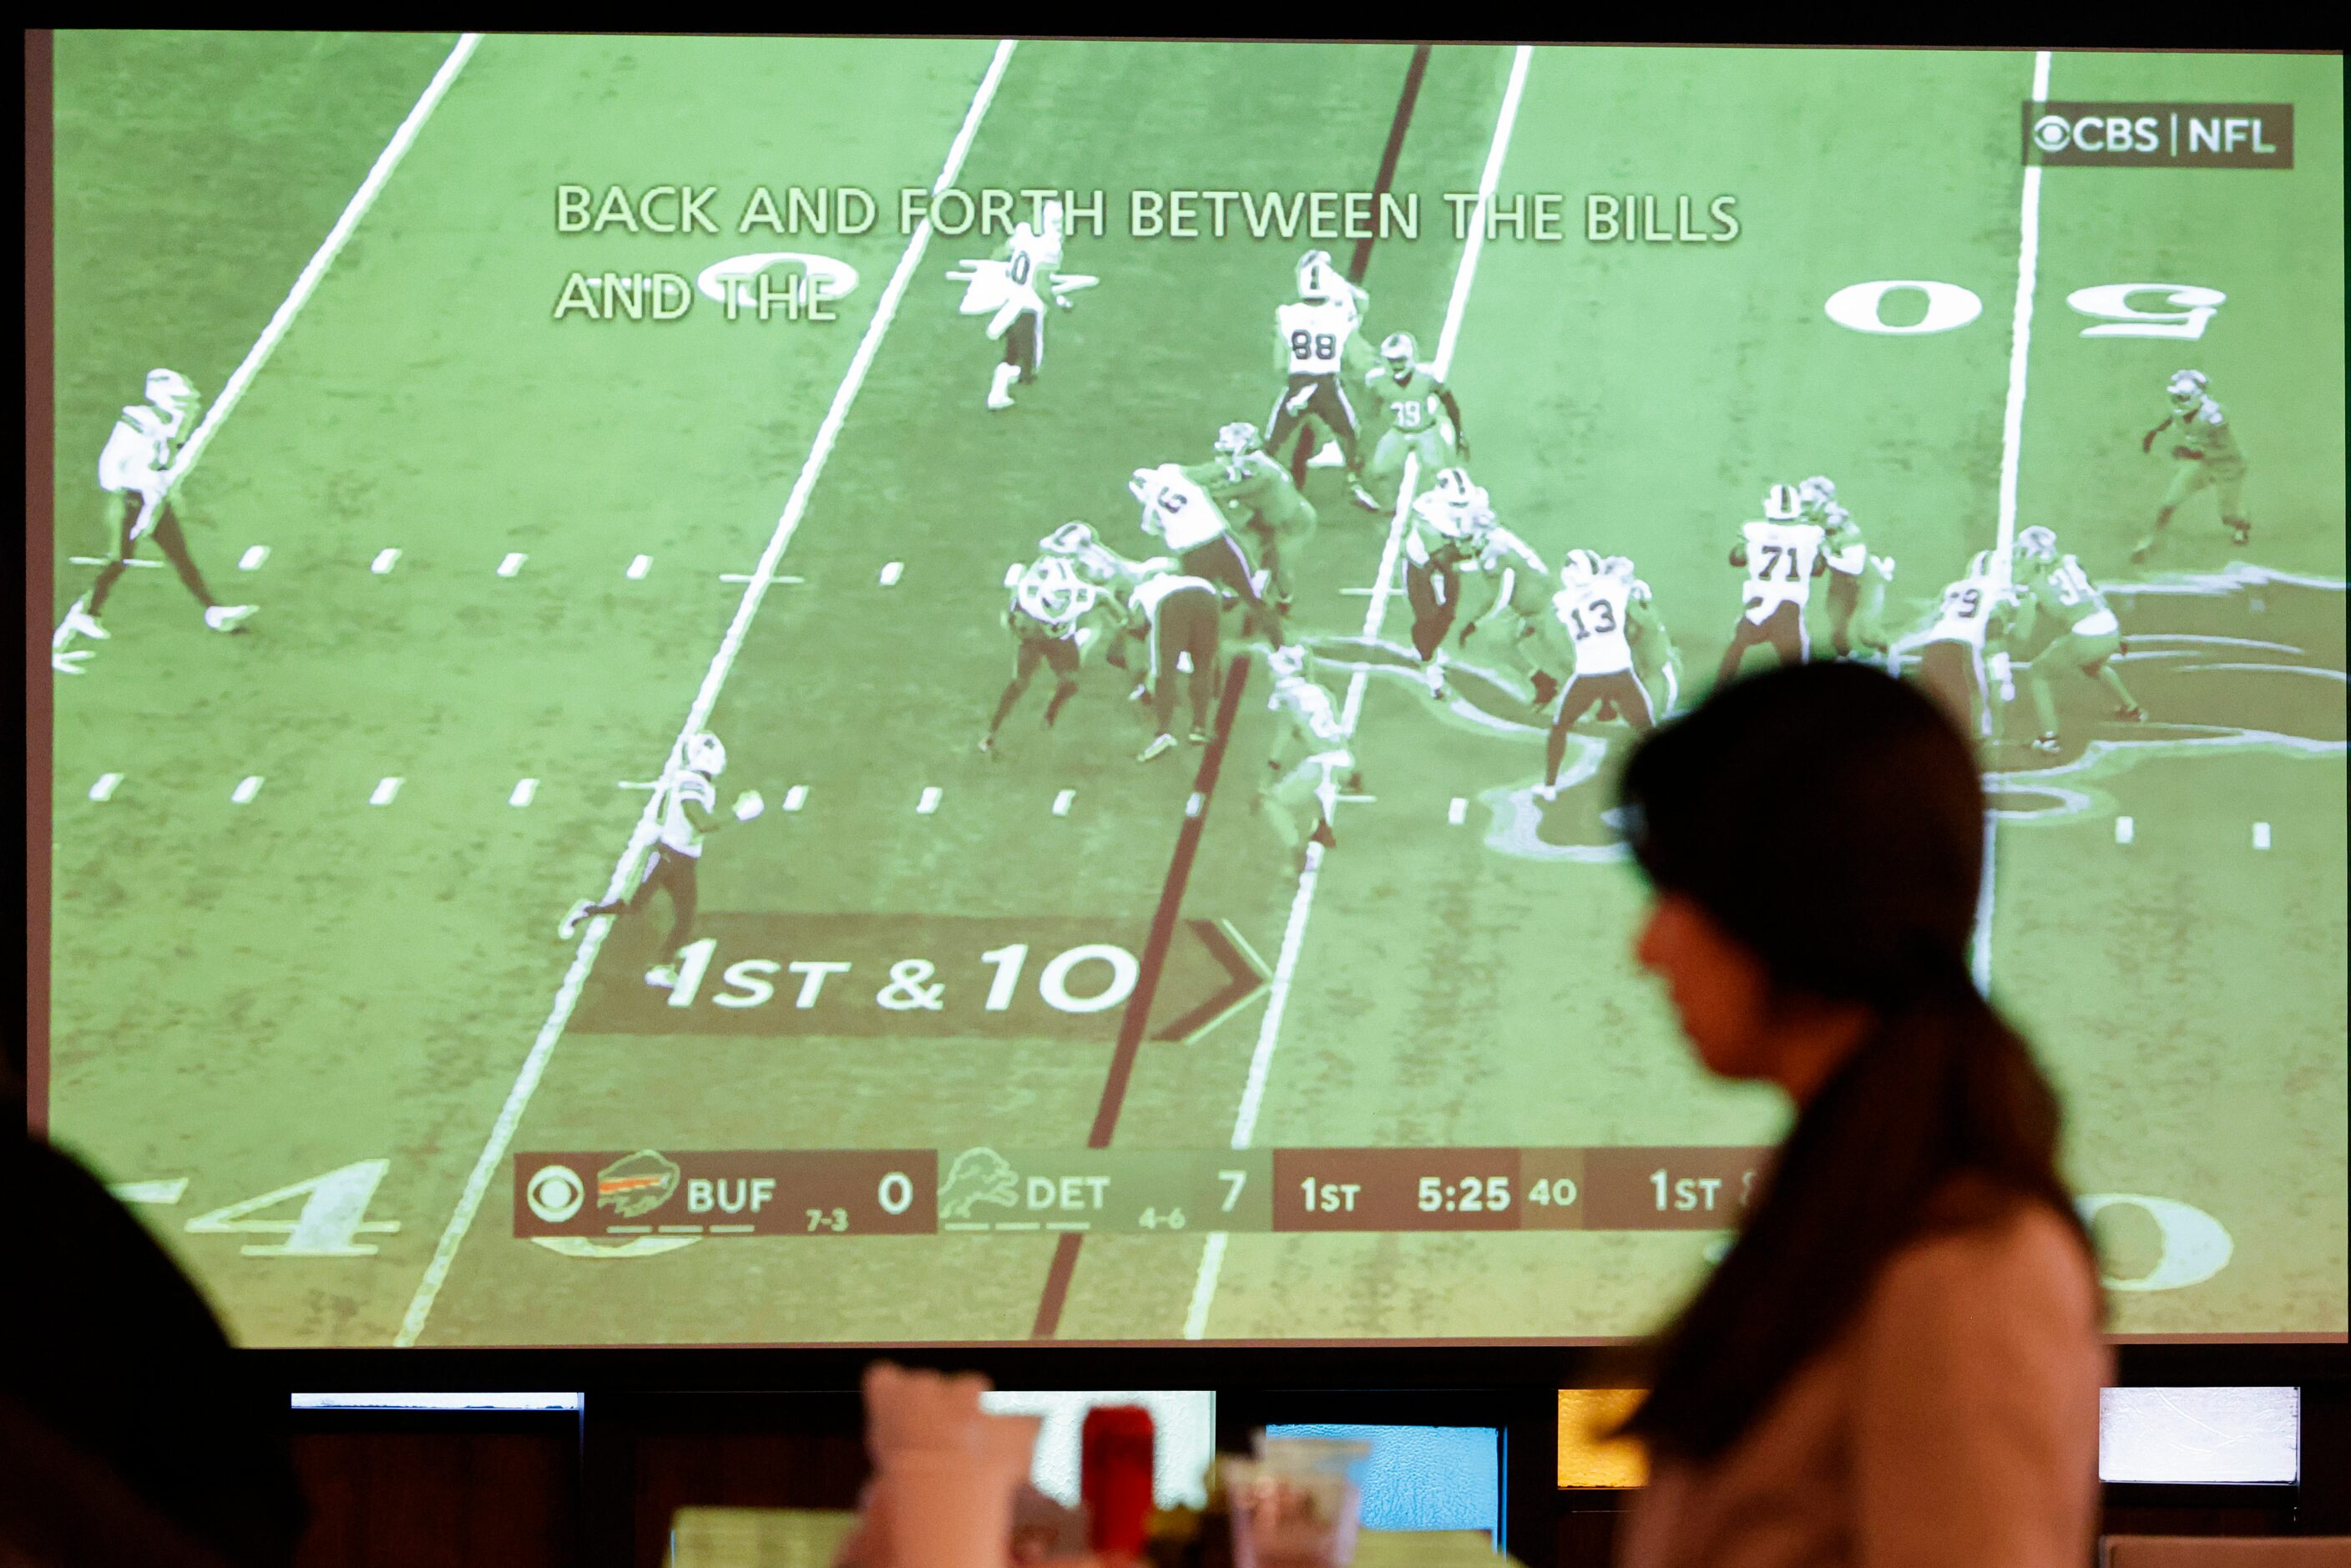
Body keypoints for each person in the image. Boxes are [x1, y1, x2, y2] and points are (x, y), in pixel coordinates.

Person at [1609, 660, 2108, 1568]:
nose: (1647, 949)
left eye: (1677, 899)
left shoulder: (1964, 1271)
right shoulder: (1856, 1197)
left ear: (1787, 901)